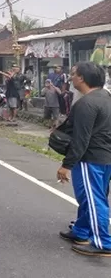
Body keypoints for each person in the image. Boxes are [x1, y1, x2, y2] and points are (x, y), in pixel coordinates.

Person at [57, 62, 111, 257]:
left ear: (82, 78)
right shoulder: (105, 98)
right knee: (93, 197)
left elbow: (81, 139)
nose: (71, 78)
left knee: (93, 200)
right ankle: (81, 231)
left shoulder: (86, 103)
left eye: (73, 74)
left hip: (91, 159)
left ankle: (103, 243)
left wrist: (66, 165)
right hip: (105, 157)